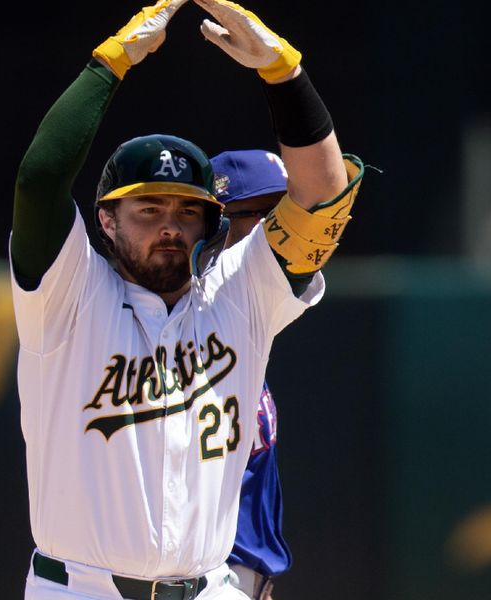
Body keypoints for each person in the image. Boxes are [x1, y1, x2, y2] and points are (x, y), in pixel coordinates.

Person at [9, 0, 364, 598]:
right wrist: (110, 64)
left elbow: (325, 193)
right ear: (107, 220)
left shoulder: (240, 294)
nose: (170, 225)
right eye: (148, 209)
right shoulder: (66, 297)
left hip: (211, 587)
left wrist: (284, 75)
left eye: (186, 210)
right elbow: (40, 180)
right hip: (81, 588)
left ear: (209, 224)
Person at [211, 150, 293, 600]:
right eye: (267, 213)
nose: (286, 226)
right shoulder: (183, 330)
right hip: (203, 579)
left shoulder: (246, 327)